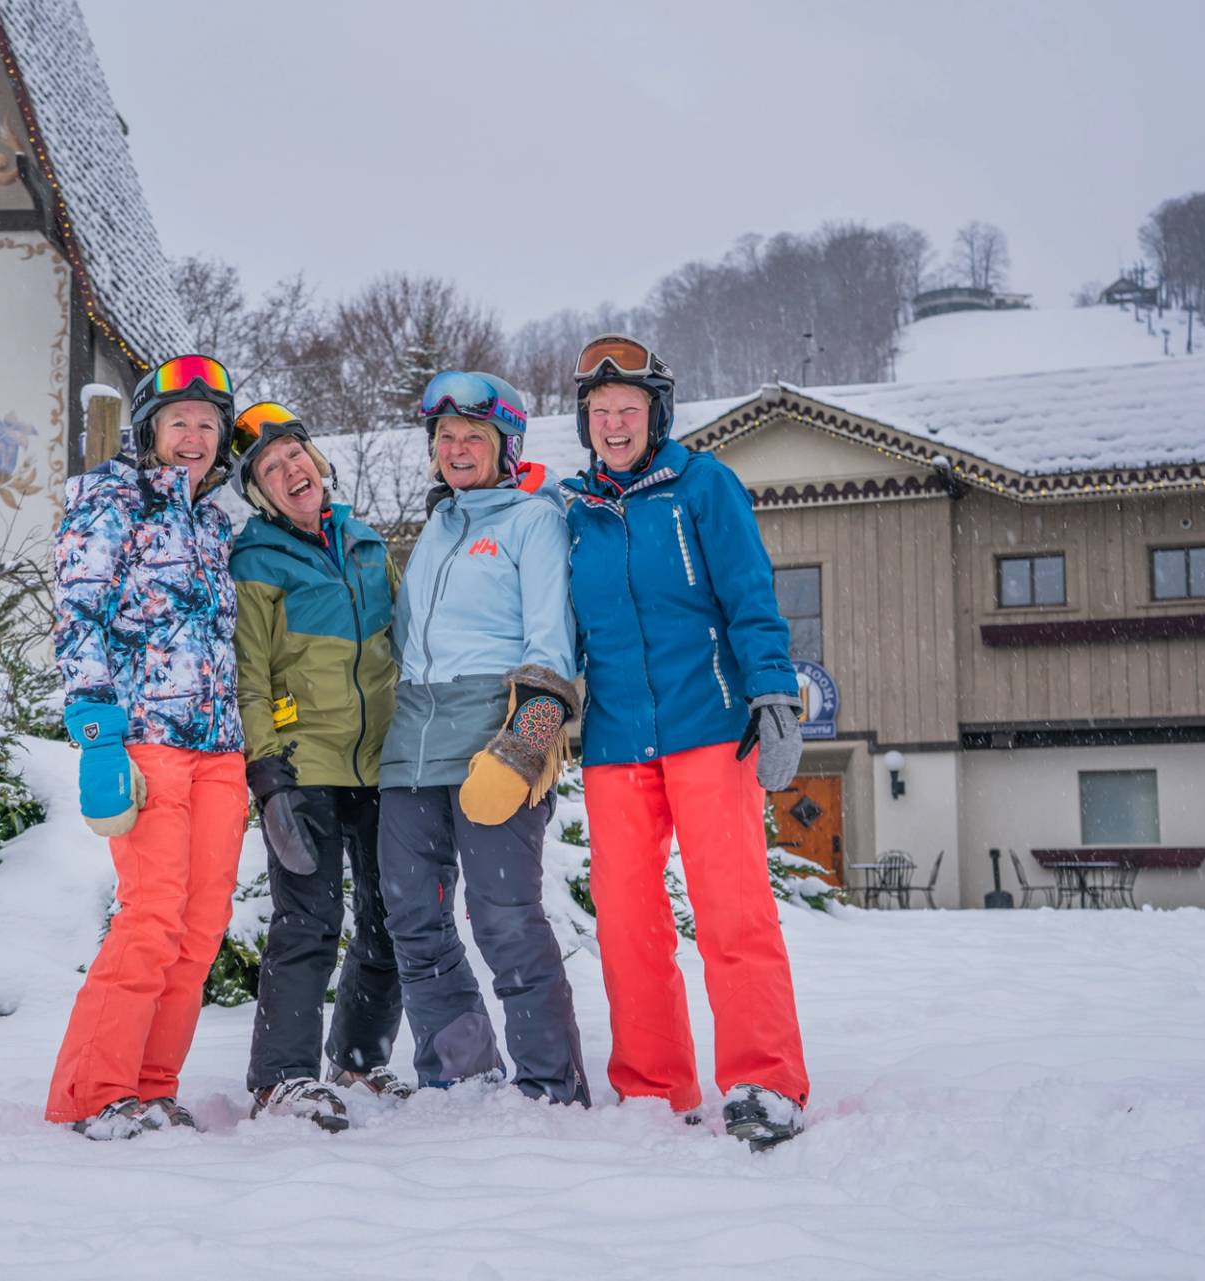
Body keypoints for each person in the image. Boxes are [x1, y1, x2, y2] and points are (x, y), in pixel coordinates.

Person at [560, 333, 810, 1151]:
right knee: (630, 923)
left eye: (627, 409)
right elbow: (560, 629)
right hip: (615, 740)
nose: (614, 424)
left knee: (731, 911)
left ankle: (764, 1080)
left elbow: (748, 592)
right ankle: (653, 1086)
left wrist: (771, 689)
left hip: (709, 725)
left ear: (655, 412)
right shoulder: (575, 513)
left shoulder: (706, 487)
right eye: (599, 413)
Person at [43, 354, 249, 1140]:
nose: (193, 436)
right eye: (179, 422)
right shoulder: (111, 497)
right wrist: (96, 728)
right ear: (150, 431)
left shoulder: (213, 522)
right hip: (148, 740)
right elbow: (79, 611)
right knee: (152, 915)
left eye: (207, 424)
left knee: (200, 928)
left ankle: (152, 1086)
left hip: (219, 747)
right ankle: (92, 1092)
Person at [376, 370, 590, 1106]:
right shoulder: (435, 526)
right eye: (446, 438)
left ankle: (549, 1082)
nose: (458, 449)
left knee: (504, 916)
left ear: (507, 447)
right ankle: (460, 1069)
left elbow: (554, 643)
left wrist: (528, 743)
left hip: (494, 736)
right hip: (412, 740)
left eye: (474, 437)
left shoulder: (535, 520)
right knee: (413, 917)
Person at [229, 401, 412, 1132]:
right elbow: (250, 675)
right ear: (260, 493)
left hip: (382, 764)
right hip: (304, 764)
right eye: (270, 469)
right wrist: (265, 773)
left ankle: (359, 1062)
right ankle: (281, 1078)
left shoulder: (367, 545)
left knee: (390, 915)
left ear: (318, 460)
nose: (289, 470)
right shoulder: (256, 559)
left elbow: (406, 646)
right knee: (308, 919)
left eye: (294, 454)